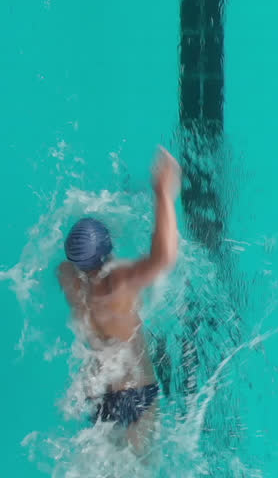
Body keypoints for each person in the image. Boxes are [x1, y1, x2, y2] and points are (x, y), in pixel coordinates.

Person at [57, 146, 182, 453]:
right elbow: (164, 258)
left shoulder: (68, 278)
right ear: (109, 252)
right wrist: (162, 193)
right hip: (135, 393)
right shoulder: (119, 285)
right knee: (140, 468)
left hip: (99, 396)